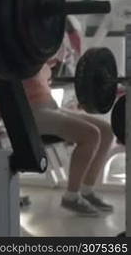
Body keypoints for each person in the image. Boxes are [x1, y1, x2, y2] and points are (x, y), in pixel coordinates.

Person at [23, 19, 115, 217]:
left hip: (50, 107)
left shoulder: (45, 56)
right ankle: (71, 196)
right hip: (30, 114)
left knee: (106, 131)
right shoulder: (18, 53)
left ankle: (87, 190)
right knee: (90, 134)